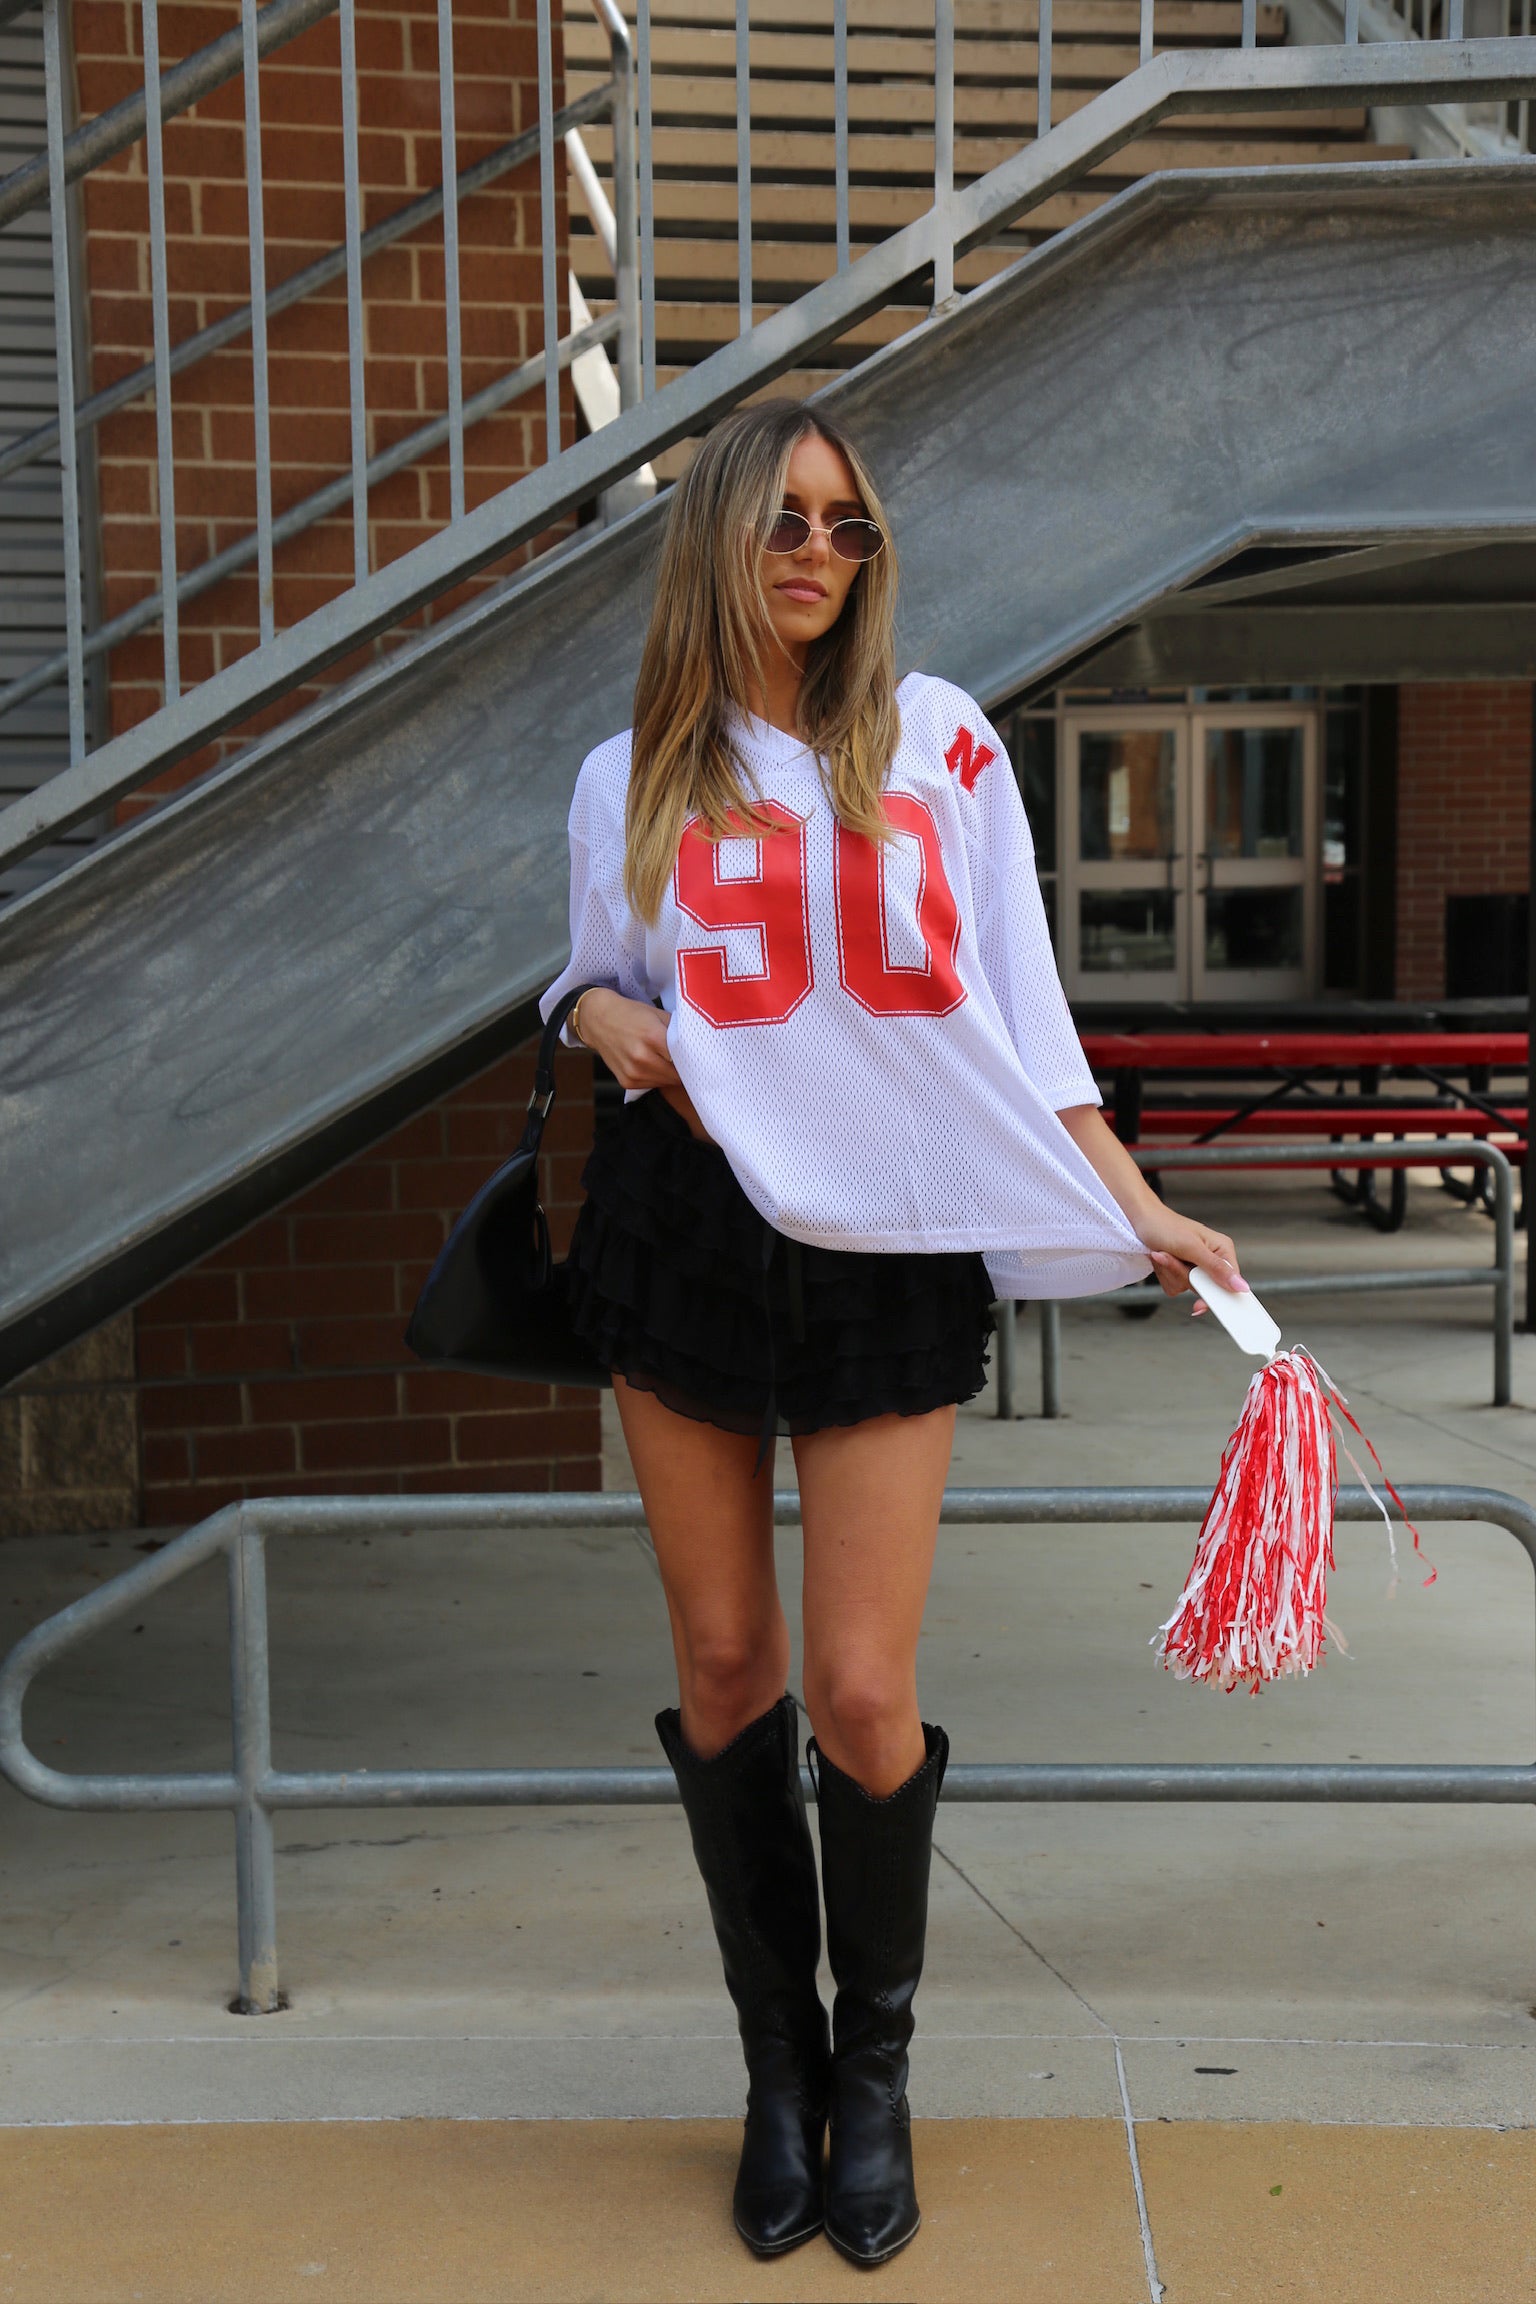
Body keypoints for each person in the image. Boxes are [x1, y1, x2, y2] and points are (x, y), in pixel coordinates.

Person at [540, 399, 1245, 2268]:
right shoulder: (628, 776)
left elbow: (1025, 1029)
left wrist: (1137, 1204)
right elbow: (609, 985)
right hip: (684, 1237)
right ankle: (781, 2080)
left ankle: (881, 2075)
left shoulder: (942, 749)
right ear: (716, 538)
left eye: (848, 528)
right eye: (785, 520)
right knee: (720, 1663)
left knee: (858, 1689)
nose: (818, 555)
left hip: (888, 1242)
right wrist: (590, 1021)